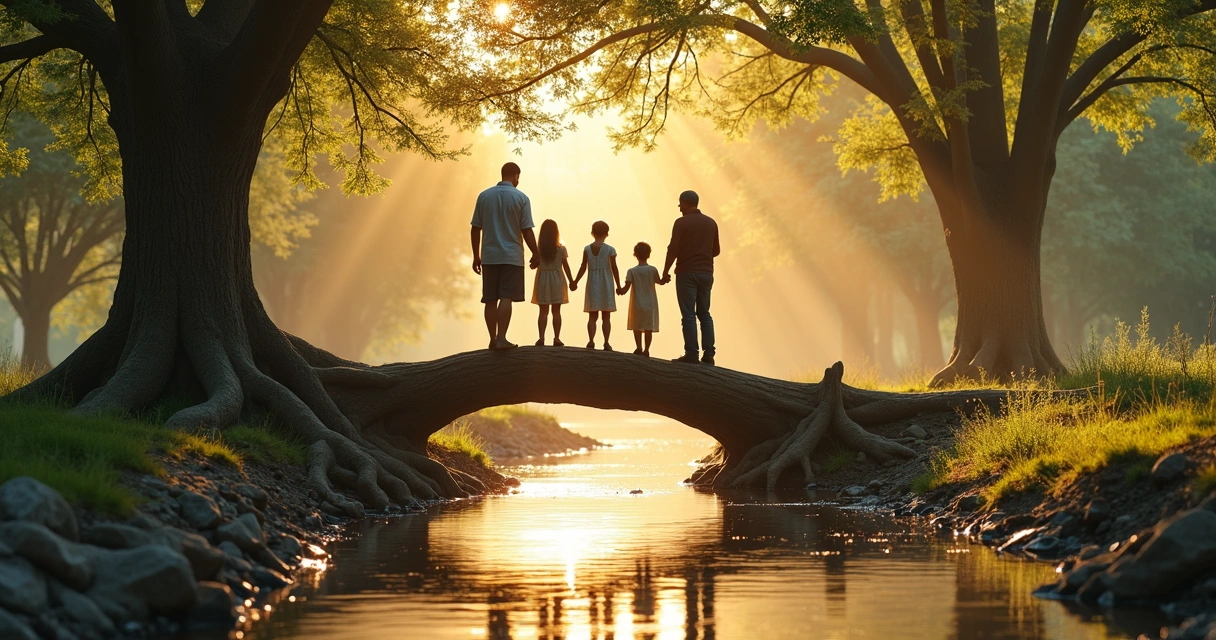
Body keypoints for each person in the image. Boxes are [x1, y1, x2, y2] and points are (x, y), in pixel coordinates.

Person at [470, 162, 538, 350]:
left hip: (490, 256)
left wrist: (476, 255)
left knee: (490, 299)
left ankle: (492, 339)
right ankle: (502, 338)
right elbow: (526, 230)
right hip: (512, 256)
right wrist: (536, 253)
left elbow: (475, 228)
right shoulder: (521, 198)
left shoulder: (484, 196)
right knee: (506, 296)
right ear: (516, 175)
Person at [661, 190, 720, 365]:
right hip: (707, 273)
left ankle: (692, 354)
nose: (679, 207)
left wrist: (666, 271)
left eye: (680, 203)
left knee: (688, 314)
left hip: (686, 272)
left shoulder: (681, 223)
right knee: (704, 313)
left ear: (686, 203)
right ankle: (709, 354)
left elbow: (673, 248)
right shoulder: (711, 223)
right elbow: (716, 251)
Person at [571, 220, 621, 351]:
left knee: (592, 316)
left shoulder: (587, 249)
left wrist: (575, 281)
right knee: (606, 316)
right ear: (606, 234)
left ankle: (591, 341)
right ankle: (606, 342)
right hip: (606, 283)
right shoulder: (610, 250)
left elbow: (583, 267)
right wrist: (619, 285)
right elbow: (614, 268)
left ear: (592, 233)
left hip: (592, 283)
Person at [531, 219, 576, 346]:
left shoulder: (539, 250)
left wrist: (535, 262)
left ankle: (541, 338)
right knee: (556, 311)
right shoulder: (561, 249)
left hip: (543, 280)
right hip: (557, 279)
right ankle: (556, 338)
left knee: (543, 311)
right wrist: (572, 281)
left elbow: (533, 265)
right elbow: (565, 266)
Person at [617, 241, 662, 356]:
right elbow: (659, 281)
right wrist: (666, 278)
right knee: (648, 328)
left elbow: (626, 288)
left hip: (637, 303)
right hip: (650, 303)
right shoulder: (652, 270)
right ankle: (646, 349)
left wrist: (620, 290)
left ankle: (638, 347)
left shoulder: (632, 271)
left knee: (637, 326)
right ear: (648, 254)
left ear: (635, 255)